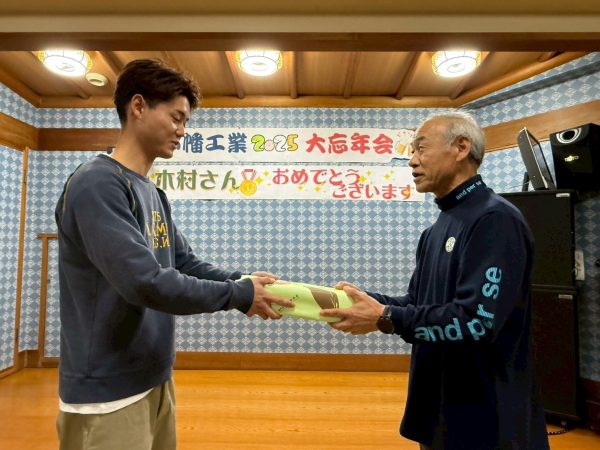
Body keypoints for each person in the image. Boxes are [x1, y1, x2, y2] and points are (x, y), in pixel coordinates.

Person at [54, 59, 293, 450]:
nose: (183, 131)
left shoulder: (152, 192)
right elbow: (144, 282)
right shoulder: (97, 183)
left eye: (186, 122)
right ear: (138, 106)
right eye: (176, 118)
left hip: (154, 376)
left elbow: (183, 263)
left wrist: (245, 281)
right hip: (107, 392)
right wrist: (238, 295)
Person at [321, 112, 550, 449]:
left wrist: (385, 317)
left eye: (421, 148)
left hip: (488, 417)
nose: (412, 160)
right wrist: (362, 302)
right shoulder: (435, 231)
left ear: (461, 147)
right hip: (440, 408)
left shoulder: (495, 219)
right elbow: (417, 303)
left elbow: (476, 322)